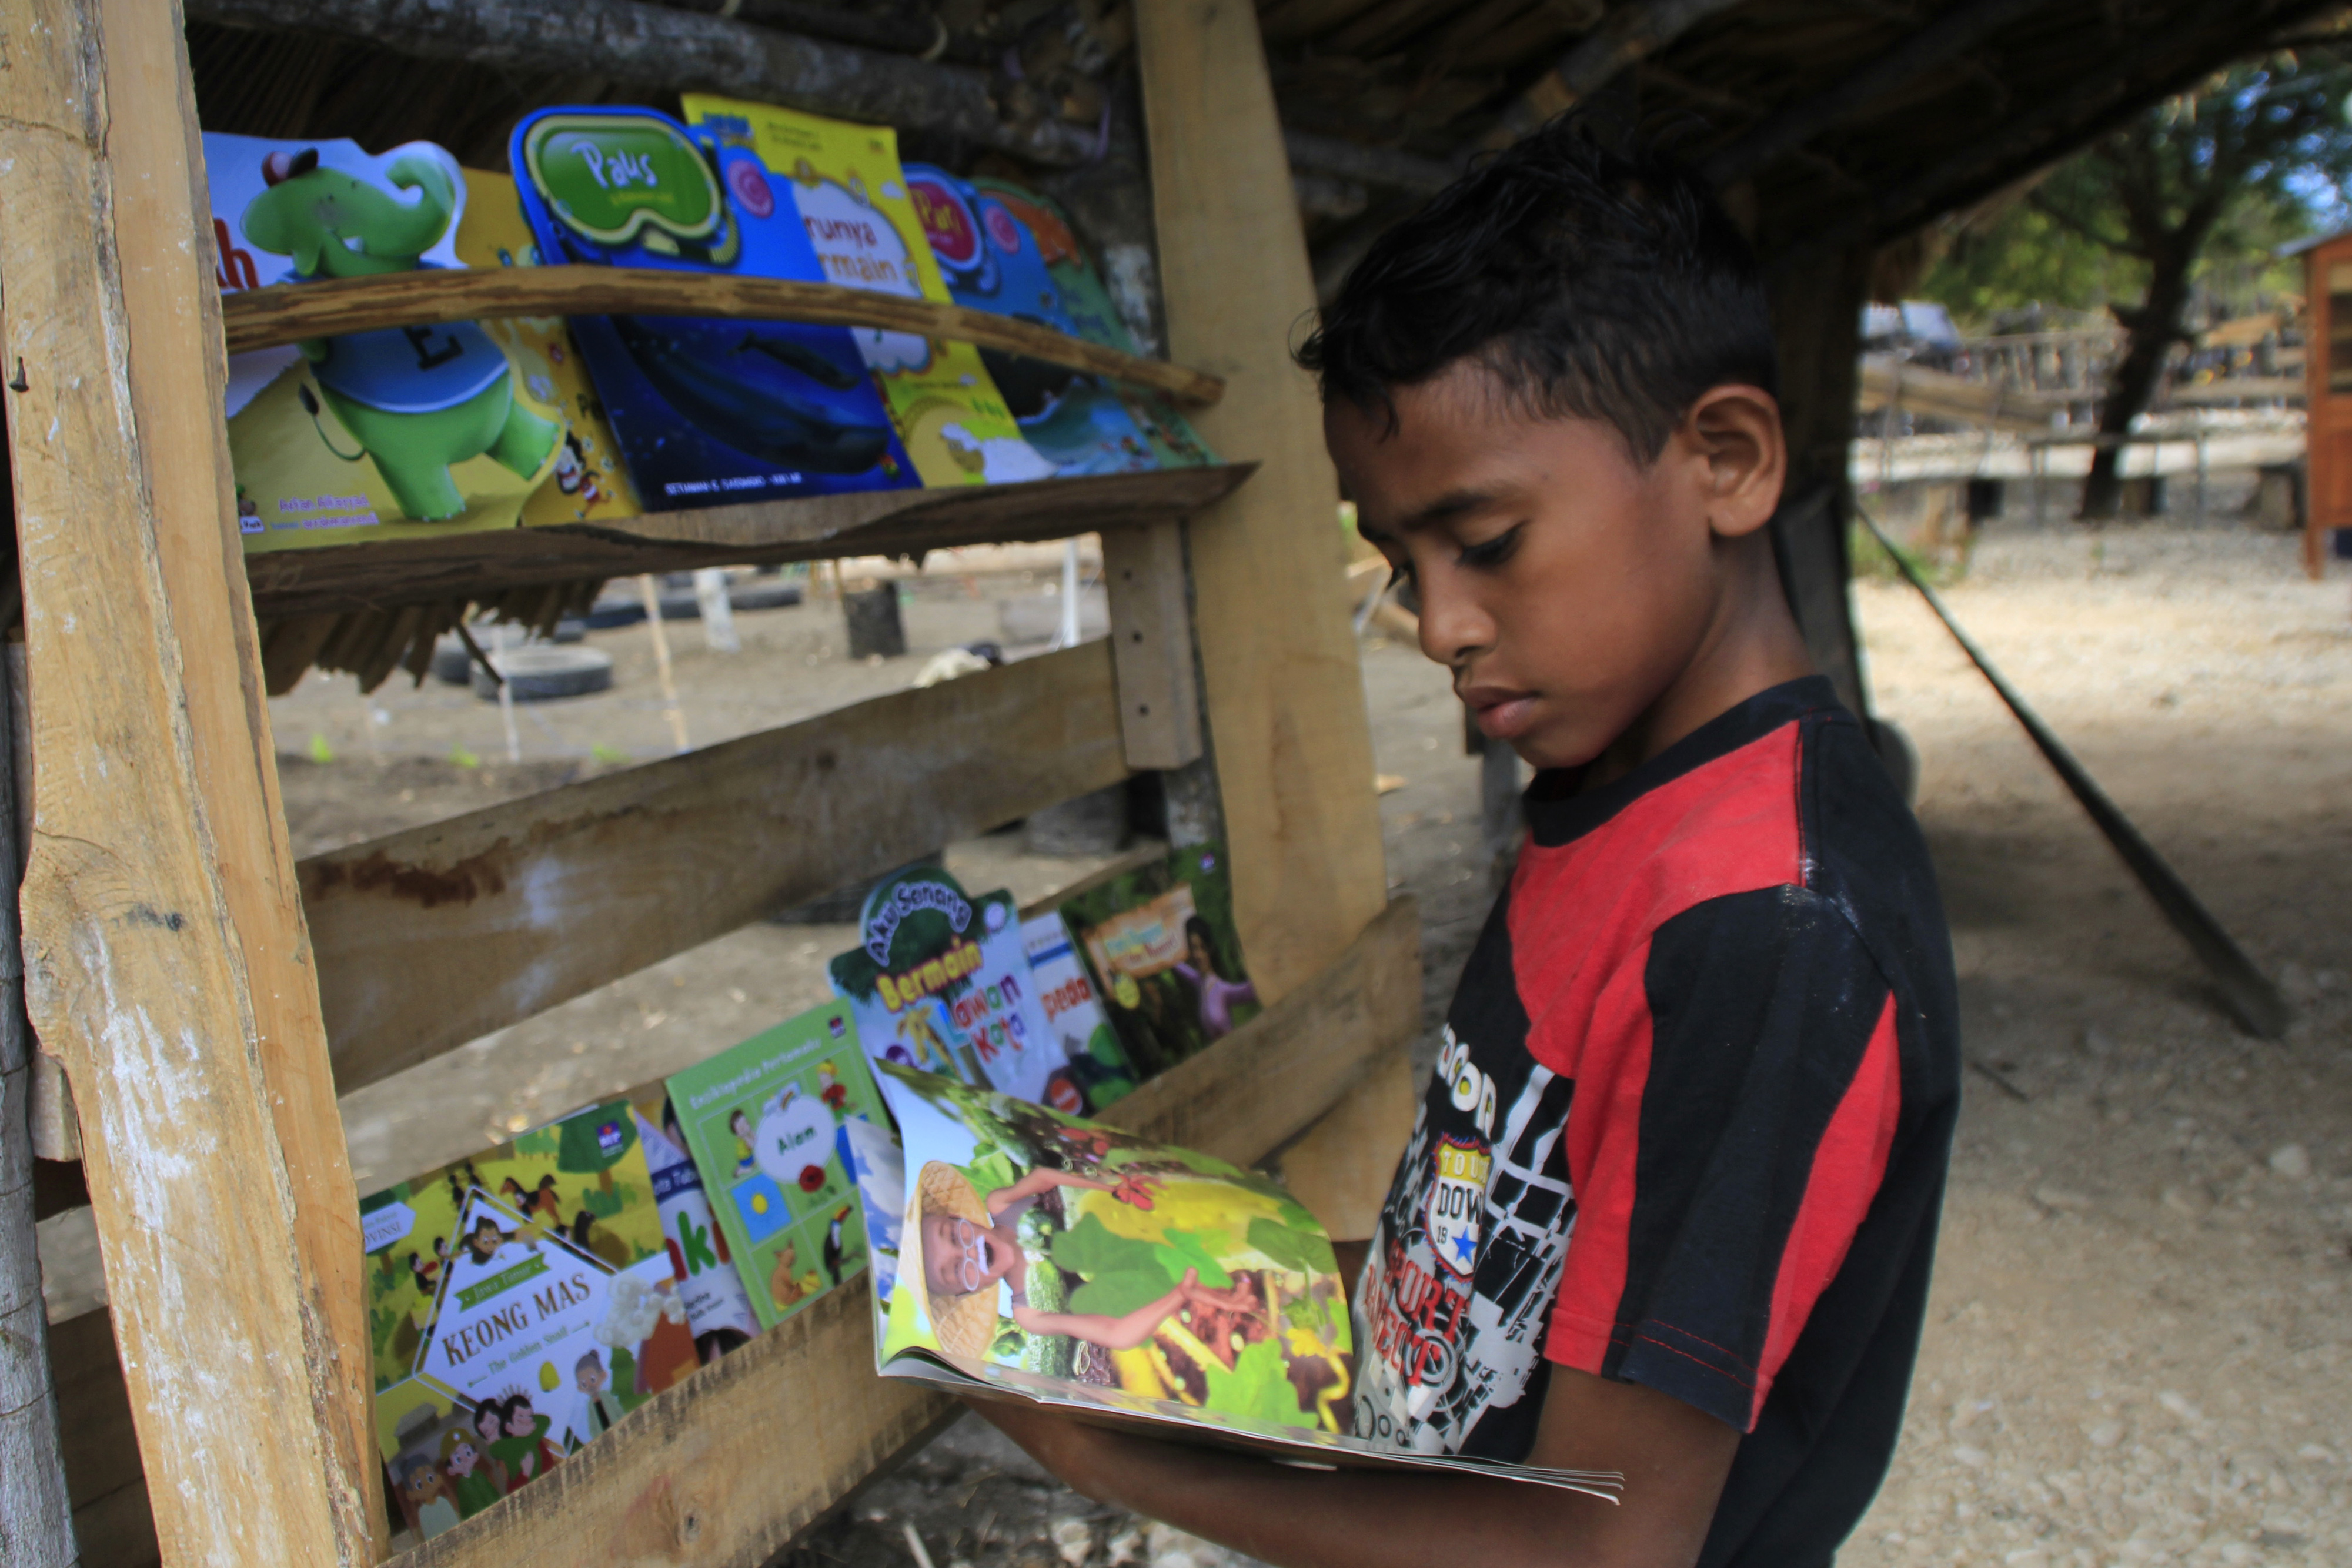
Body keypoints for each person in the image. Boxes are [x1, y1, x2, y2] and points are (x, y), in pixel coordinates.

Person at [965, 120, 1960, 1568]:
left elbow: (1597, 1547)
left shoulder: (1765, 931)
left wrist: (1108, 1457)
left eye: (1485, 541)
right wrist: (1125, 1288)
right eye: (1398, 560)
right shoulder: (1615, 799)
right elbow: (1477, 1285)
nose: (1438, 626)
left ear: (1727, 461)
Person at [909, 1161, 1204, 1359]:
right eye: (958, 1270)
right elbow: (1115, 1332)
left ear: (959, 1218)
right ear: (968, 1292)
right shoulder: (1029, 1314)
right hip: (1160, 1272)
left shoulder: (1001, 1204)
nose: (969, 1252)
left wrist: (1112, 1186)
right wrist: (1179, 1295)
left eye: (953, 1235)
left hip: (1158, 1207)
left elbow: (1043, 1177)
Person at [1170, 915, 1258, 1041]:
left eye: (1202, 948)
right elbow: (1173, 962)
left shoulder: (1221, 989)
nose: (1197, 955)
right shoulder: (1199, 982)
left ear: (1209, 950)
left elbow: (1249, 990)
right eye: (1193, 948)